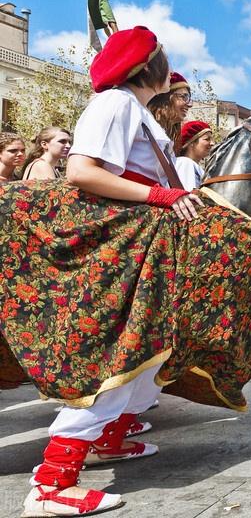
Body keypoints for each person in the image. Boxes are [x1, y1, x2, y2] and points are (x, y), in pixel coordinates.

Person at [17, 26, 201, 516]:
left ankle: (110, 438)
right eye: (162, 55)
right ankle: (54, 482)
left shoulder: (135, 109)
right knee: (118, 350)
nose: (169, 62)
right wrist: (162, 195)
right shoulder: (115, 102)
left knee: (151, 349)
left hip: (143, 242)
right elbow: (82, 171)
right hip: (118, 244)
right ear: (146, 67)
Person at [147, 72, 191, 154]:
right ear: (165, 99)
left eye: (188, 98)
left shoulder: (168, 139)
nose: (189, 105)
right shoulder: (144, 126)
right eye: (183, 97)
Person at [175, 120, 213, 191]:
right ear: (191, 142)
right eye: (207, 139)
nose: (212, 143)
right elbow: (188, 195)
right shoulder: (184, 162)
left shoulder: (197, 167)